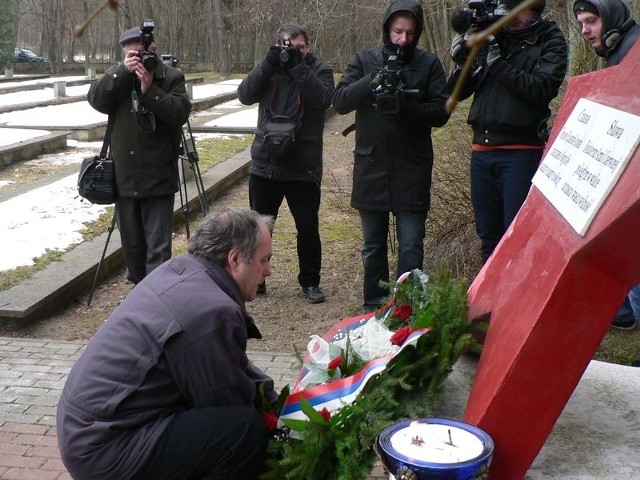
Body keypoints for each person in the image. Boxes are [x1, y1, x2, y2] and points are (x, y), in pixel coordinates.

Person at [57, 207, 277, 480]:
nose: (268, 271)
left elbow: (226, 363)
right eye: (264, 260)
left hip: (86, 428)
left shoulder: (183, 271)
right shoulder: (213, 311)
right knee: (244, 432)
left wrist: (271, 395)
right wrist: (276, 424)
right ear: (234, 260)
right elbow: (225, 400)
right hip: (105, 445)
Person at [332, 0, 450, 312]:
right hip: (371, 166)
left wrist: (405, 106)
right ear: (387, 29)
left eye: (410, 33)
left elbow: (441, 112)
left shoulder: (429, 65)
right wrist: (372, 82)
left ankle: (406, 306)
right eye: (398, 31)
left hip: (412, 167)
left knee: (411, 244)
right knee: (372, 246)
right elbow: (340, 100)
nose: (403, 40)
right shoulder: (364, 59)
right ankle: (374, 304)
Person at [447, 0, 568, 264]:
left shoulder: (549, 38)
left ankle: (519, 304)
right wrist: (462, 61)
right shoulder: (496, 35)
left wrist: (497, 62)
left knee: (517, 237)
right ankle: (488, 303)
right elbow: (459, 89)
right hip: (482, 148)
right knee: (489, 237)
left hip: (521, 152)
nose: (508, 19)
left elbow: (541, 89)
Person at [87, 25, 192, 285]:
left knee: (158, 248)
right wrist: (123, 71)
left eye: (143, 52)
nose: (139, 59)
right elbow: (96, 100)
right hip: (124, 178)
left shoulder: (170, 77)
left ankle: (157, 296)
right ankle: (138, 293)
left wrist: (150, 90)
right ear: (123, 53)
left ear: (153, 49)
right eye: (132, 54)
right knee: (132, 246)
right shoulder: (118, 79)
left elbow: (180, 113)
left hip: (158, 177)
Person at [237, 24, 334, 304]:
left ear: (308, 46)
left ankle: (310, 282)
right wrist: (270, 62)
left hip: (303, 166)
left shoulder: (319, 70)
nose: (293, 52)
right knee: (258, 229)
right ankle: (255, 280)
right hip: (266, 163)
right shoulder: (271, 67)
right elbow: (245, 94)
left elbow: (325, 99)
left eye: (299, 48)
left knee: (307, 227)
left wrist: (298, 65)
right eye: (287, 47)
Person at [573, 0, 640, 330]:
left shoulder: (635, 50)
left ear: (611, 18)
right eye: (581, 23)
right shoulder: (619, 52)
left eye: (591, 21)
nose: (584, 30)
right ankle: (626, 314)